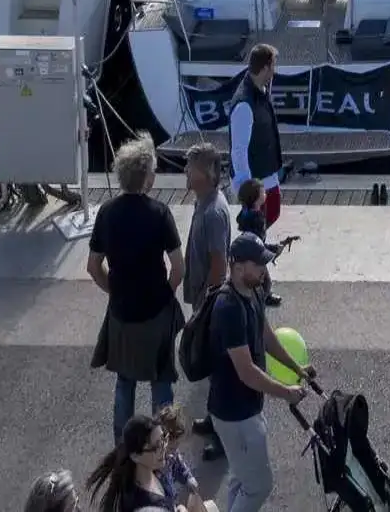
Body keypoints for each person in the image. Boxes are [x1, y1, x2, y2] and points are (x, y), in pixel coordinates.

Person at [208, 233, 314, 512]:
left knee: (242, 480)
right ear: (239, 267)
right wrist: (286, 392)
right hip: (235, 414)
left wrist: (296, 367)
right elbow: (246, 372)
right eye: (259, 265)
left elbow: (265, 335)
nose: (264, 269)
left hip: (245, 409)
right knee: (258, 486)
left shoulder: (253, 291)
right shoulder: (228, 308)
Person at [89, 139, 185, 442]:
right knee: (161, 382)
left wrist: (114, 291)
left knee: (125, 382)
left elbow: (93, 266)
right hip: (156, 313)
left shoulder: (106, 212)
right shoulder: (160, 213)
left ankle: (123, 448)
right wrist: (164, 294)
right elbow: (178, 267)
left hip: (122, 313)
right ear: (148, 177)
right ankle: (164, 446)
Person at [181, 145, 231, 461]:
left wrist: (206, 308)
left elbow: (219, 265)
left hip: (209, 300)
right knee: (214, 372)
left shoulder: (214, 212)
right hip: (202, 297)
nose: (186, 172)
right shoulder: (203, 203)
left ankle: (224, 438)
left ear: (208, 174)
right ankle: (213, 421)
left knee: (219, 372)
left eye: (191, 167)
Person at [86, 412, 217, 512]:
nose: (163, 449)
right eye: (155, 447)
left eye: (163, 439)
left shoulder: (154, 469)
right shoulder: (145, 505)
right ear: (136, 456)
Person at [228, 45, 283, 233]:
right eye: (273, 66)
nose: (274, 72)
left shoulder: (260, 91)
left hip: (266, 173)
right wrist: (249, 192)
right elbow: (239, 151)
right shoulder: (244, 104)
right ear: (266, 68)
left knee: (272, 213)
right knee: (256, 227)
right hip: (256, 181)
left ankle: (256, 249)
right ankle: (251, 256)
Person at [233, 179, 285, 308]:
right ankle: (261, 301)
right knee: (265, 281)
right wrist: (273, 248)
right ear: (256, 198)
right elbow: (258, 242)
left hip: (249, 249)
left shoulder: (246, 213)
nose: (265, 194)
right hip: (255, 252)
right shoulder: (257, 218)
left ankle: (258, 298)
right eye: (263, 192)